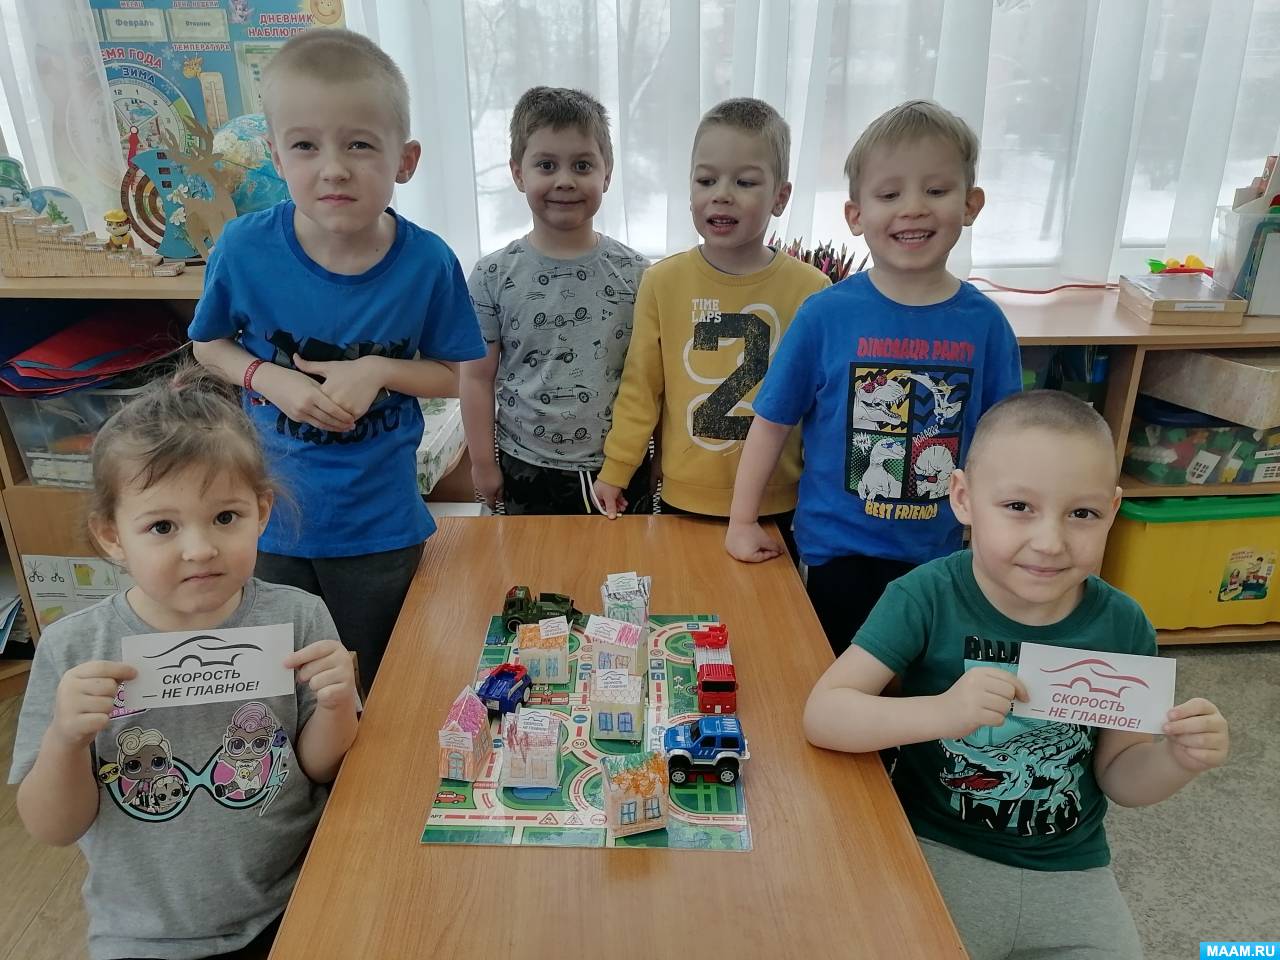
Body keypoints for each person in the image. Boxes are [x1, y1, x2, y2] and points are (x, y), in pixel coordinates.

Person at [804, 391, 1230, 960]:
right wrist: (943, 711)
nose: (1050, 542)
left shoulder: (1125, 625)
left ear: (1112, 511)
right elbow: (824, 713)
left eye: (1082, 514)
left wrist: (1177, 760)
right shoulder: (925, 596)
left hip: (1072, 873)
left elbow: (1121, 777)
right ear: (963, 499)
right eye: (1018, 506)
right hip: (937, 848)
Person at [9, 366, 360, 960]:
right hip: (146, 934)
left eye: (225, 517)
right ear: (112, 537)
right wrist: (66, 740)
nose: (199, 549)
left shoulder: (298, 616)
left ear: (261, 512)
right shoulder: (75, 648)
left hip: (294, 904)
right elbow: (53, 828)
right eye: (162, 526)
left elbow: (316, 767)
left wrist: (336, 702)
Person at [189, 30, 485, 686]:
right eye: (305, 145)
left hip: (381, 526)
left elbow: (453, 374)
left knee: (382, 681)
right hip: (268, 521)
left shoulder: (427, 262)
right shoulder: (243, 249)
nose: (333, 169)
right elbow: (208, 344)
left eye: (359, 144)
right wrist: (268, 378)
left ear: (405, 159)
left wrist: (377, 370)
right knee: (284, 683)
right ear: (276, 156)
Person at [727, 99, 1023, 653]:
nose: (913, 209)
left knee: (918, 681)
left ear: (970, 204)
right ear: (856, 215)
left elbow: (1007, 446)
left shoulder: (986, 325)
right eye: (889, 195)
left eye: (936, 190)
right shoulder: (824, 314)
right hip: (835, 551)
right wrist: (742, 520)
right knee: (832, 674)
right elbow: (770, 422)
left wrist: (1004, 537)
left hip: (939, 553)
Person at [592, 97, 829, 533]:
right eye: (706, 180)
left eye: (745, 181)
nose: (721, 194)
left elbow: (821, 407)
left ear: (780, 197)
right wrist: (618, 467)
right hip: (684, 496)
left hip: (778, 500)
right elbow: (641, 388)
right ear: (690, 191)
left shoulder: (812, 290)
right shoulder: (662, 281)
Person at [459, 86, 651, 515]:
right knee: (528, 560)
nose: (565, 180)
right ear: (518, 173)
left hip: (618, 470)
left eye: (582, 165)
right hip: (523, 467)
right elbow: (475, 378)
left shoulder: (640, 275)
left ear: (607, 174)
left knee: (619, 561)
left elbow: (653, 382)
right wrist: (482, 463)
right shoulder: (492, 275)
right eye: (547, 165)